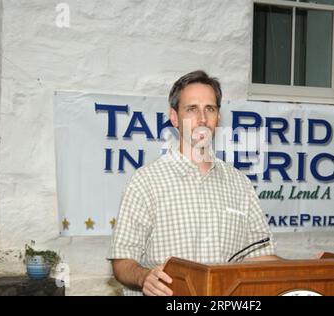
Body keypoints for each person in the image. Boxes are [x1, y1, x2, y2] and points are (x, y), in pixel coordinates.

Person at [108, 70, 279, 296]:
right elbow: (122, 261)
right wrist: (144, 277)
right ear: (174, 117)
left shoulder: (240, 183)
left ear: (218, 117)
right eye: (192, 109)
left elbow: (260, 255)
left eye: (210, 108)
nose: (202, 119)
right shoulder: (146, 181)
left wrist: (309, 271)